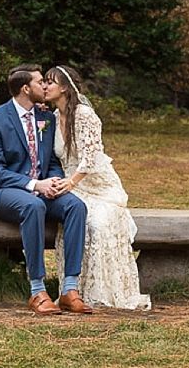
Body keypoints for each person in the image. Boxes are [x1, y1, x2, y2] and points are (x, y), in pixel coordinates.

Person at [0, 63, 93, 315]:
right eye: (41, 82)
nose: (45, 85)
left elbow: (51, 161)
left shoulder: (44, 118)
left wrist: (53, 182)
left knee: (75, 206)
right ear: (26, 89)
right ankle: (37, 290)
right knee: (33, 205)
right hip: (3, 191)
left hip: (41, 190)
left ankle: (69, 289)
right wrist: (33, 185)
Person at [42, 65, 152, 310]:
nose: (45, 86)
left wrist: (71, 183)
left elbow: (90, 158)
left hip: (95, 183)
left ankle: (102, 289)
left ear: (64, 87)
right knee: (77, 219)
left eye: (51, 82)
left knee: (99, 224)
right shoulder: (49, 118)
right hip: (70, 182)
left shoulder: (84, 115)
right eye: (45, 82)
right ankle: (73, 289)